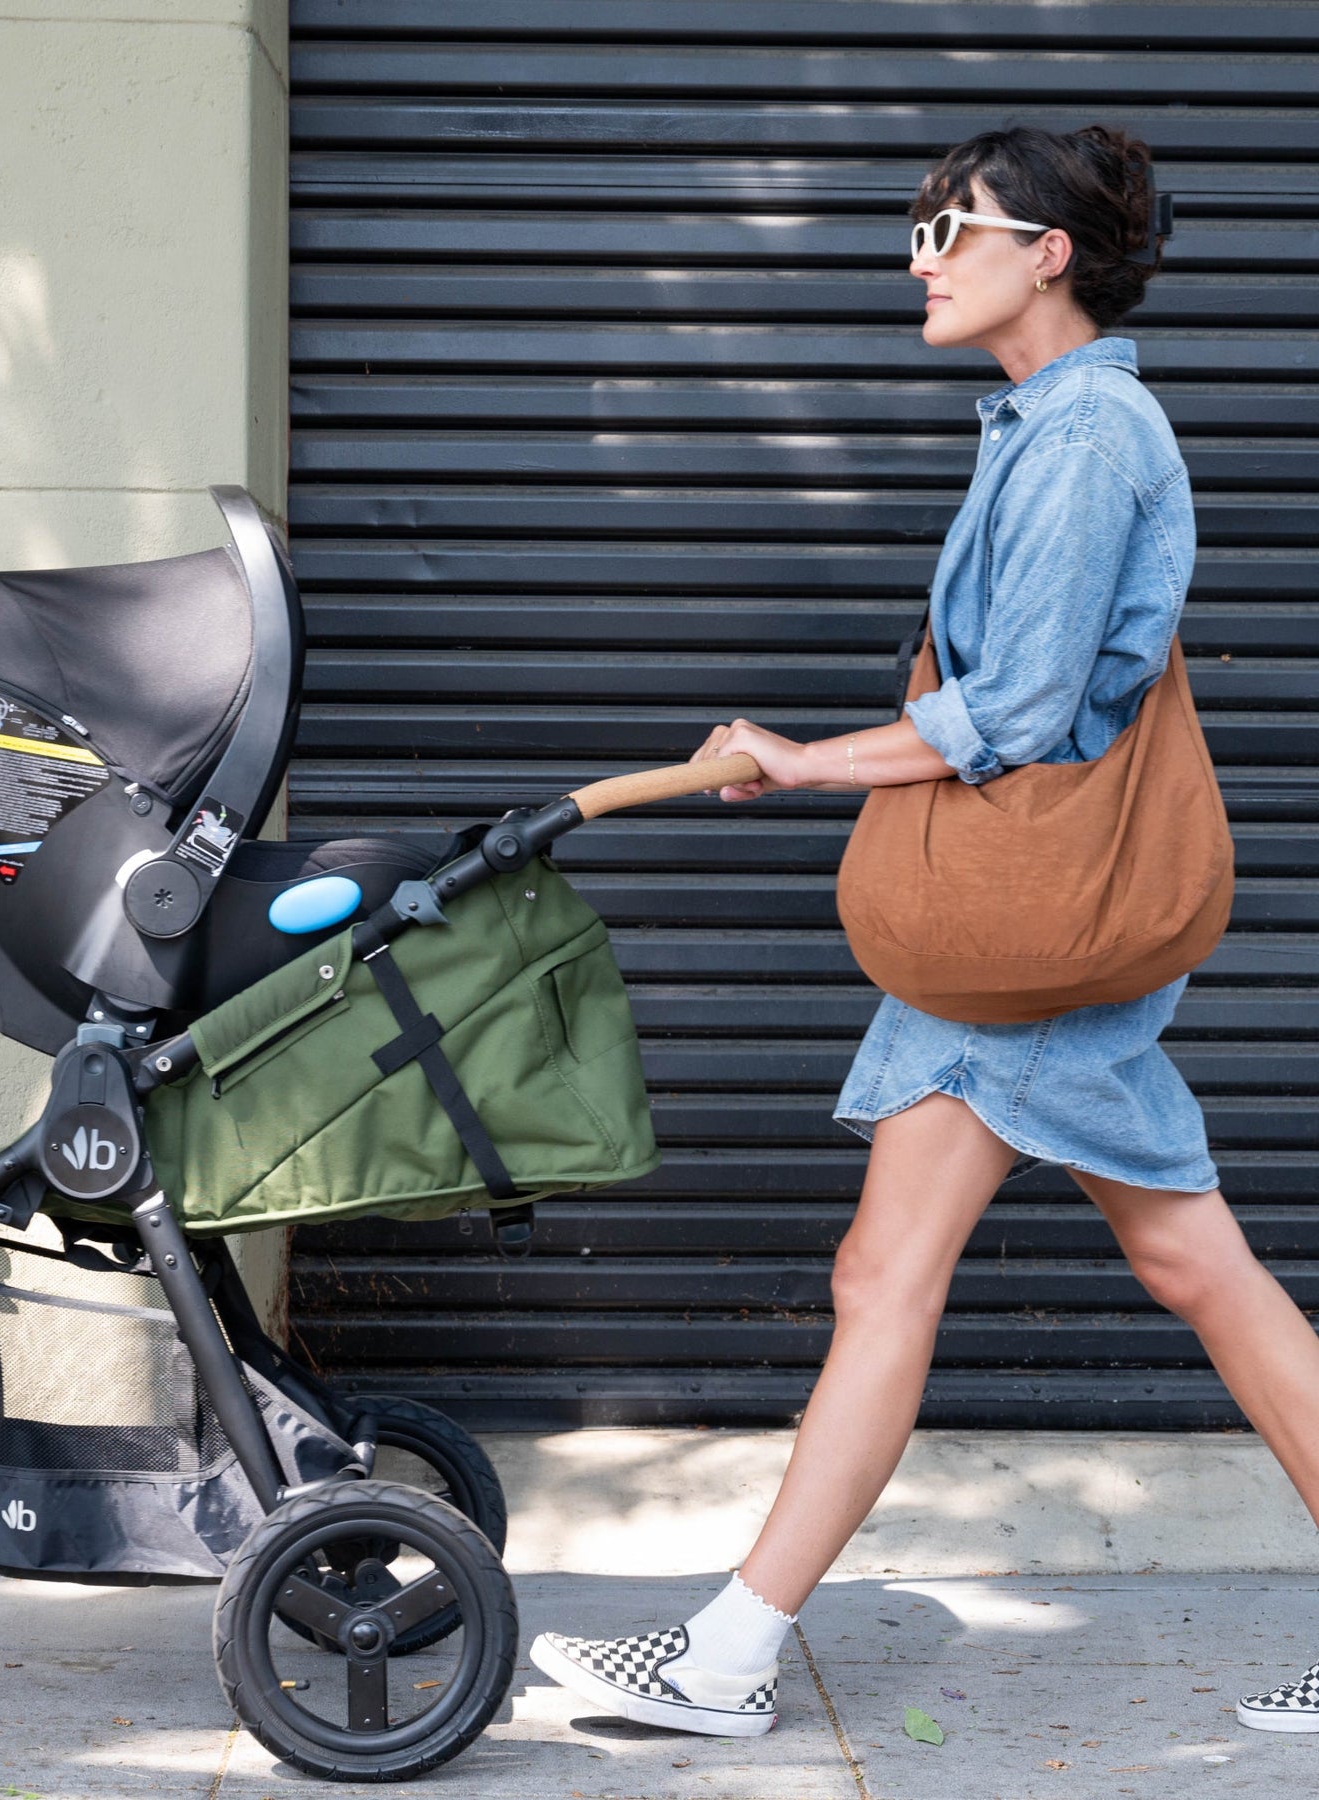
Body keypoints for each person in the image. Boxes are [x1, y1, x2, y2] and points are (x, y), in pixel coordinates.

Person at [530, 123, 1319, 1740]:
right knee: (1180, 1265)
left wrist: (807, 761)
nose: (921, 259)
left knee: (906, 1276)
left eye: (952, 228)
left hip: (1024, 937)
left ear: (1049, 254)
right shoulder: (1049, 425)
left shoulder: (1087, 438)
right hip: (1021, 936)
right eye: (918, 230)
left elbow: (1021, 709)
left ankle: (728, 1656)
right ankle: (730, 1654)